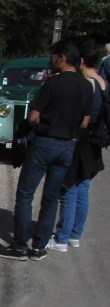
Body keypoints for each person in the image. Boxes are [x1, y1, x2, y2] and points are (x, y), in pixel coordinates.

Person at [0, 40, 93, 261]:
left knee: (26, 193)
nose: (51, 61)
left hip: (45, 142)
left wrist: (41, 126)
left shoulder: (52, 84)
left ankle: (20, 245)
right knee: (51, 197)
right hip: (68, 145)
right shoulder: (86, 86)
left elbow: (33, 117)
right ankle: (39, 246)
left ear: (62, 58)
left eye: (53, 57)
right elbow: (85, 123)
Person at [49, 41, 107, 252]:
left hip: (81, 139)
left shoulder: (87, 83)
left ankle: (62, 238)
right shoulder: (102, 82)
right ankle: (75, 234)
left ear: (81, 61)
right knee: (82, 187)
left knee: (69, 188)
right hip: (94, 142)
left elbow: (82, 117)